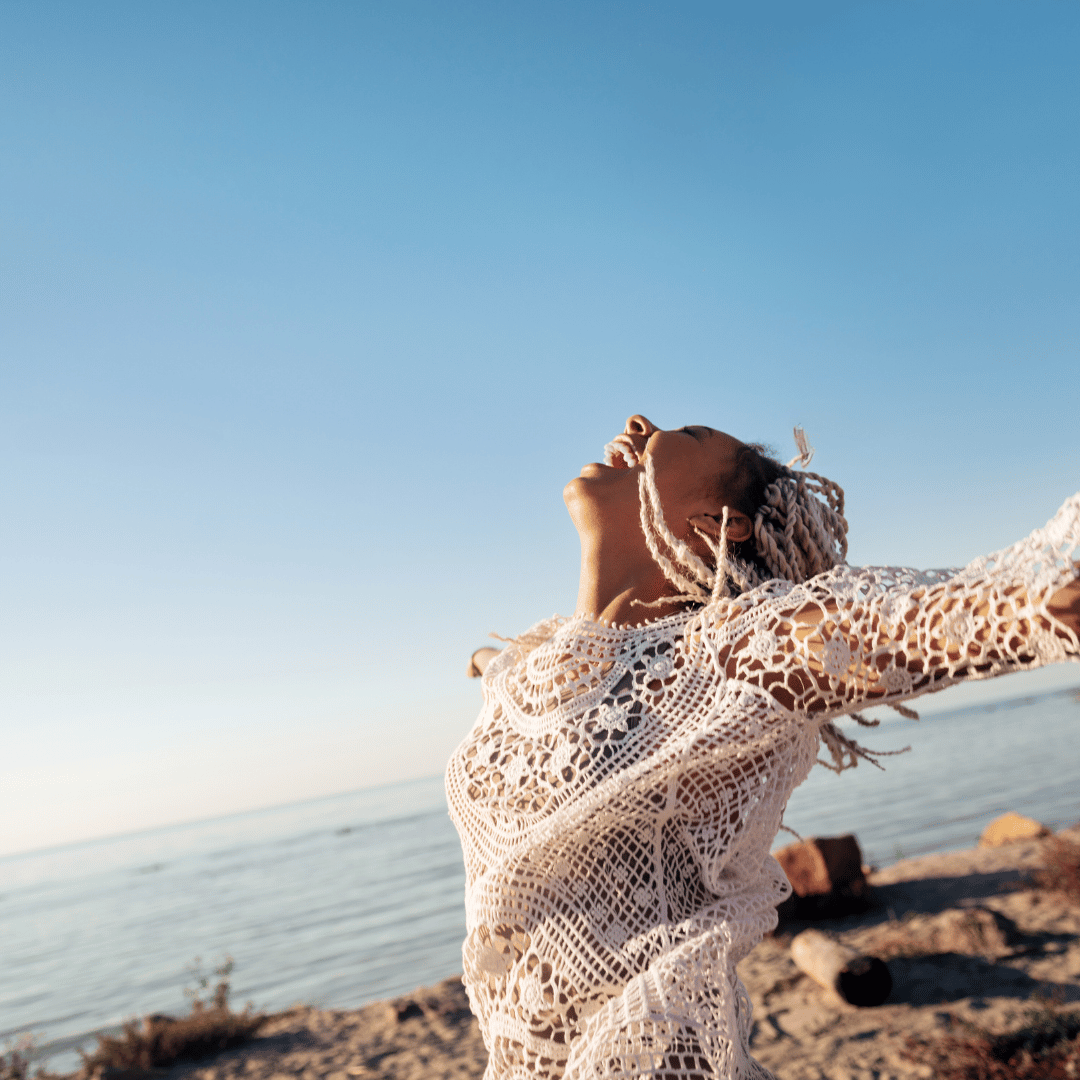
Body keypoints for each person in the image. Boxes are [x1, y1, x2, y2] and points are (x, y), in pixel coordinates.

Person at [445, 415, 1080, 1080]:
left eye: (686, 433)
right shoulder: (528, 666)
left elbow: (971, 615)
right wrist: (482, 660)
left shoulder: (733, 655)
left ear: (723, 524)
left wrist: (1033, 605)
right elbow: (503, 671)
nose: (638, 423)